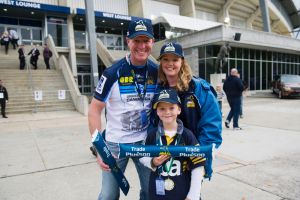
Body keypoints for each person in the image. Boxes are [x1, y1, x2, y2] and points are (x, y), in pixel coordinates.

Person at [88, 19, 158, 200]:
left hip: (144, 143)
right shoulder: (113, 73)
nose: (141, 46)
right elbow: (94, 110)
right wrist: (99, 149)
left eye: (146, 40)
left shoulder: (157, 72)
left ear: (152, 42)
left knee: (152, 193)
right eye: (137, 40)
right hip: (114, 144)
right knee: (108, 195)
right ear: (128, 41)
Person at [152, 42, 222, 182]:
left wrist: (199, 159)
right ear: (160, 62)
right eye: (165, 59)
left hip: (192, 159)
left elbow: (211, 127)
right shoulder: (158, 89)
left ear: (182, 62)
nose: (169, 63)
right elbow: (154, 124)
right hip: (166, 159)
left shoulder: (199, 89)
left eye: (175, 59)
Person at [141, 88, 206, 200]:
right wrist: (153, 162)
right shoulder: (152, 135)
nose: (167, 112)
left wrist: (193, 196)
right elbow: (142, 156)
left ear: (179, 110)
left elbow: (198, 166)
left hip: (182, 193)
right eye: (162, 108)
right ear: (157, 111)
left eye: (171, 108)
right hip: (158, 194)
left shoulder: (187, 136)